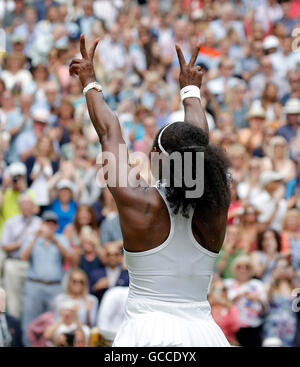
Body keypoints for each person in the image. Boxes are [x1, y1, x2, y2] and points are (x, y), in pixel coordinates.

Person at [69, 37, 231, 346]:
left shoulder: (137, 202)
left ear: (157, 159)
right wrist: (190, 91)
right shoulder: (216, 208)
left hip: (146, 333)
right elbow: (196, 144)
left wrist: (89, 81)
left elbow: (109, 131)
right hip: (206, 336)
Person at [20, 210, 70, 346]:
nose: (49, 226)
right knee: (29, 321)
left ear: (56, 226)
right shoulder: (32, 238)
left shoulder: (61, 239)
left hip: (55, 286)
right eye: (47, 222)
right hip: (34, 285)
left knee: (54, 322)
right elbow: (23, 257)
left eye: (52, 223)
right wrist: (36, 237)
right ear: (42, 224)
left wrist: (54, 239)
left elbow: (69, 256)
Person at [1, 194, 41, 319]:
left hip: (33, 263)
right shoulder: (11, 222)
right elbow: (5, 246)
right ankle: (14, 329)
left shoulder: (39, 223)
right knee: (13, 298)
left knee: (32, 298)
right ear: (19, 206)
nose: (26, 206)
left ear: (32, 206)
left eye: (28, 203)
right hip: (14, 262)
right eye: (23, 203)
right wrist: (24, 242)